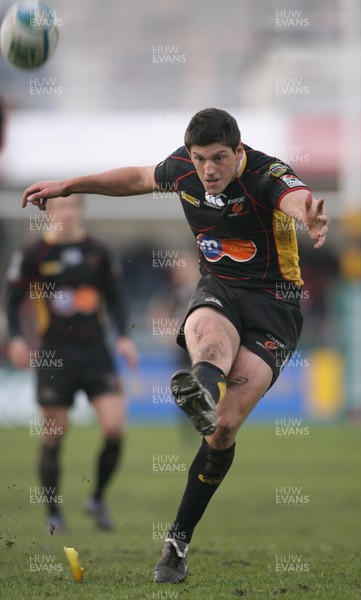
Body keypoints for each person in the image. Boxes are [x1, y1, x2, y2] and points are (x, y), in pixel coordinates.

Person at [22, 108, 328, 580]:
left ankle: (177, 540)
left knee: (223, 429)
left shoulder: (266, 173)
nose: (209, 170)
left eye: (220, 159)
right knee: (207, 343)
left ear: (238, 152)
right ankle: (202, 388)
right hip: (220, 289)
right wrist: (72, 185)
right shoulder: (183, 170)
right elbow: (137, 177)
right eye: (201, 158)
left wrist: (307, 212)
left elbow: (295, 195)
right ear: (190, 155)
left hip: (276, 307)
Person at [6, 194, 138, 534]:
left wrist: (124, 336)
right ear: (49, 213)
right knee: (54, 434)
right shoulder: (33, 254)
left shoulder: (99, 252)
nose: (66, 213)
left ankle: (96, 499)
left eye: (72, 207)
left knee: (114, 428)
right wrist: (18, 338)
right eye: (60, 207)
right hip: (55, 355)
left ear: (80, 211)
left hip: (96, 353)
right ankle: (53, 513)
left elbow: (117, 297)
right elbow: (12, 300)